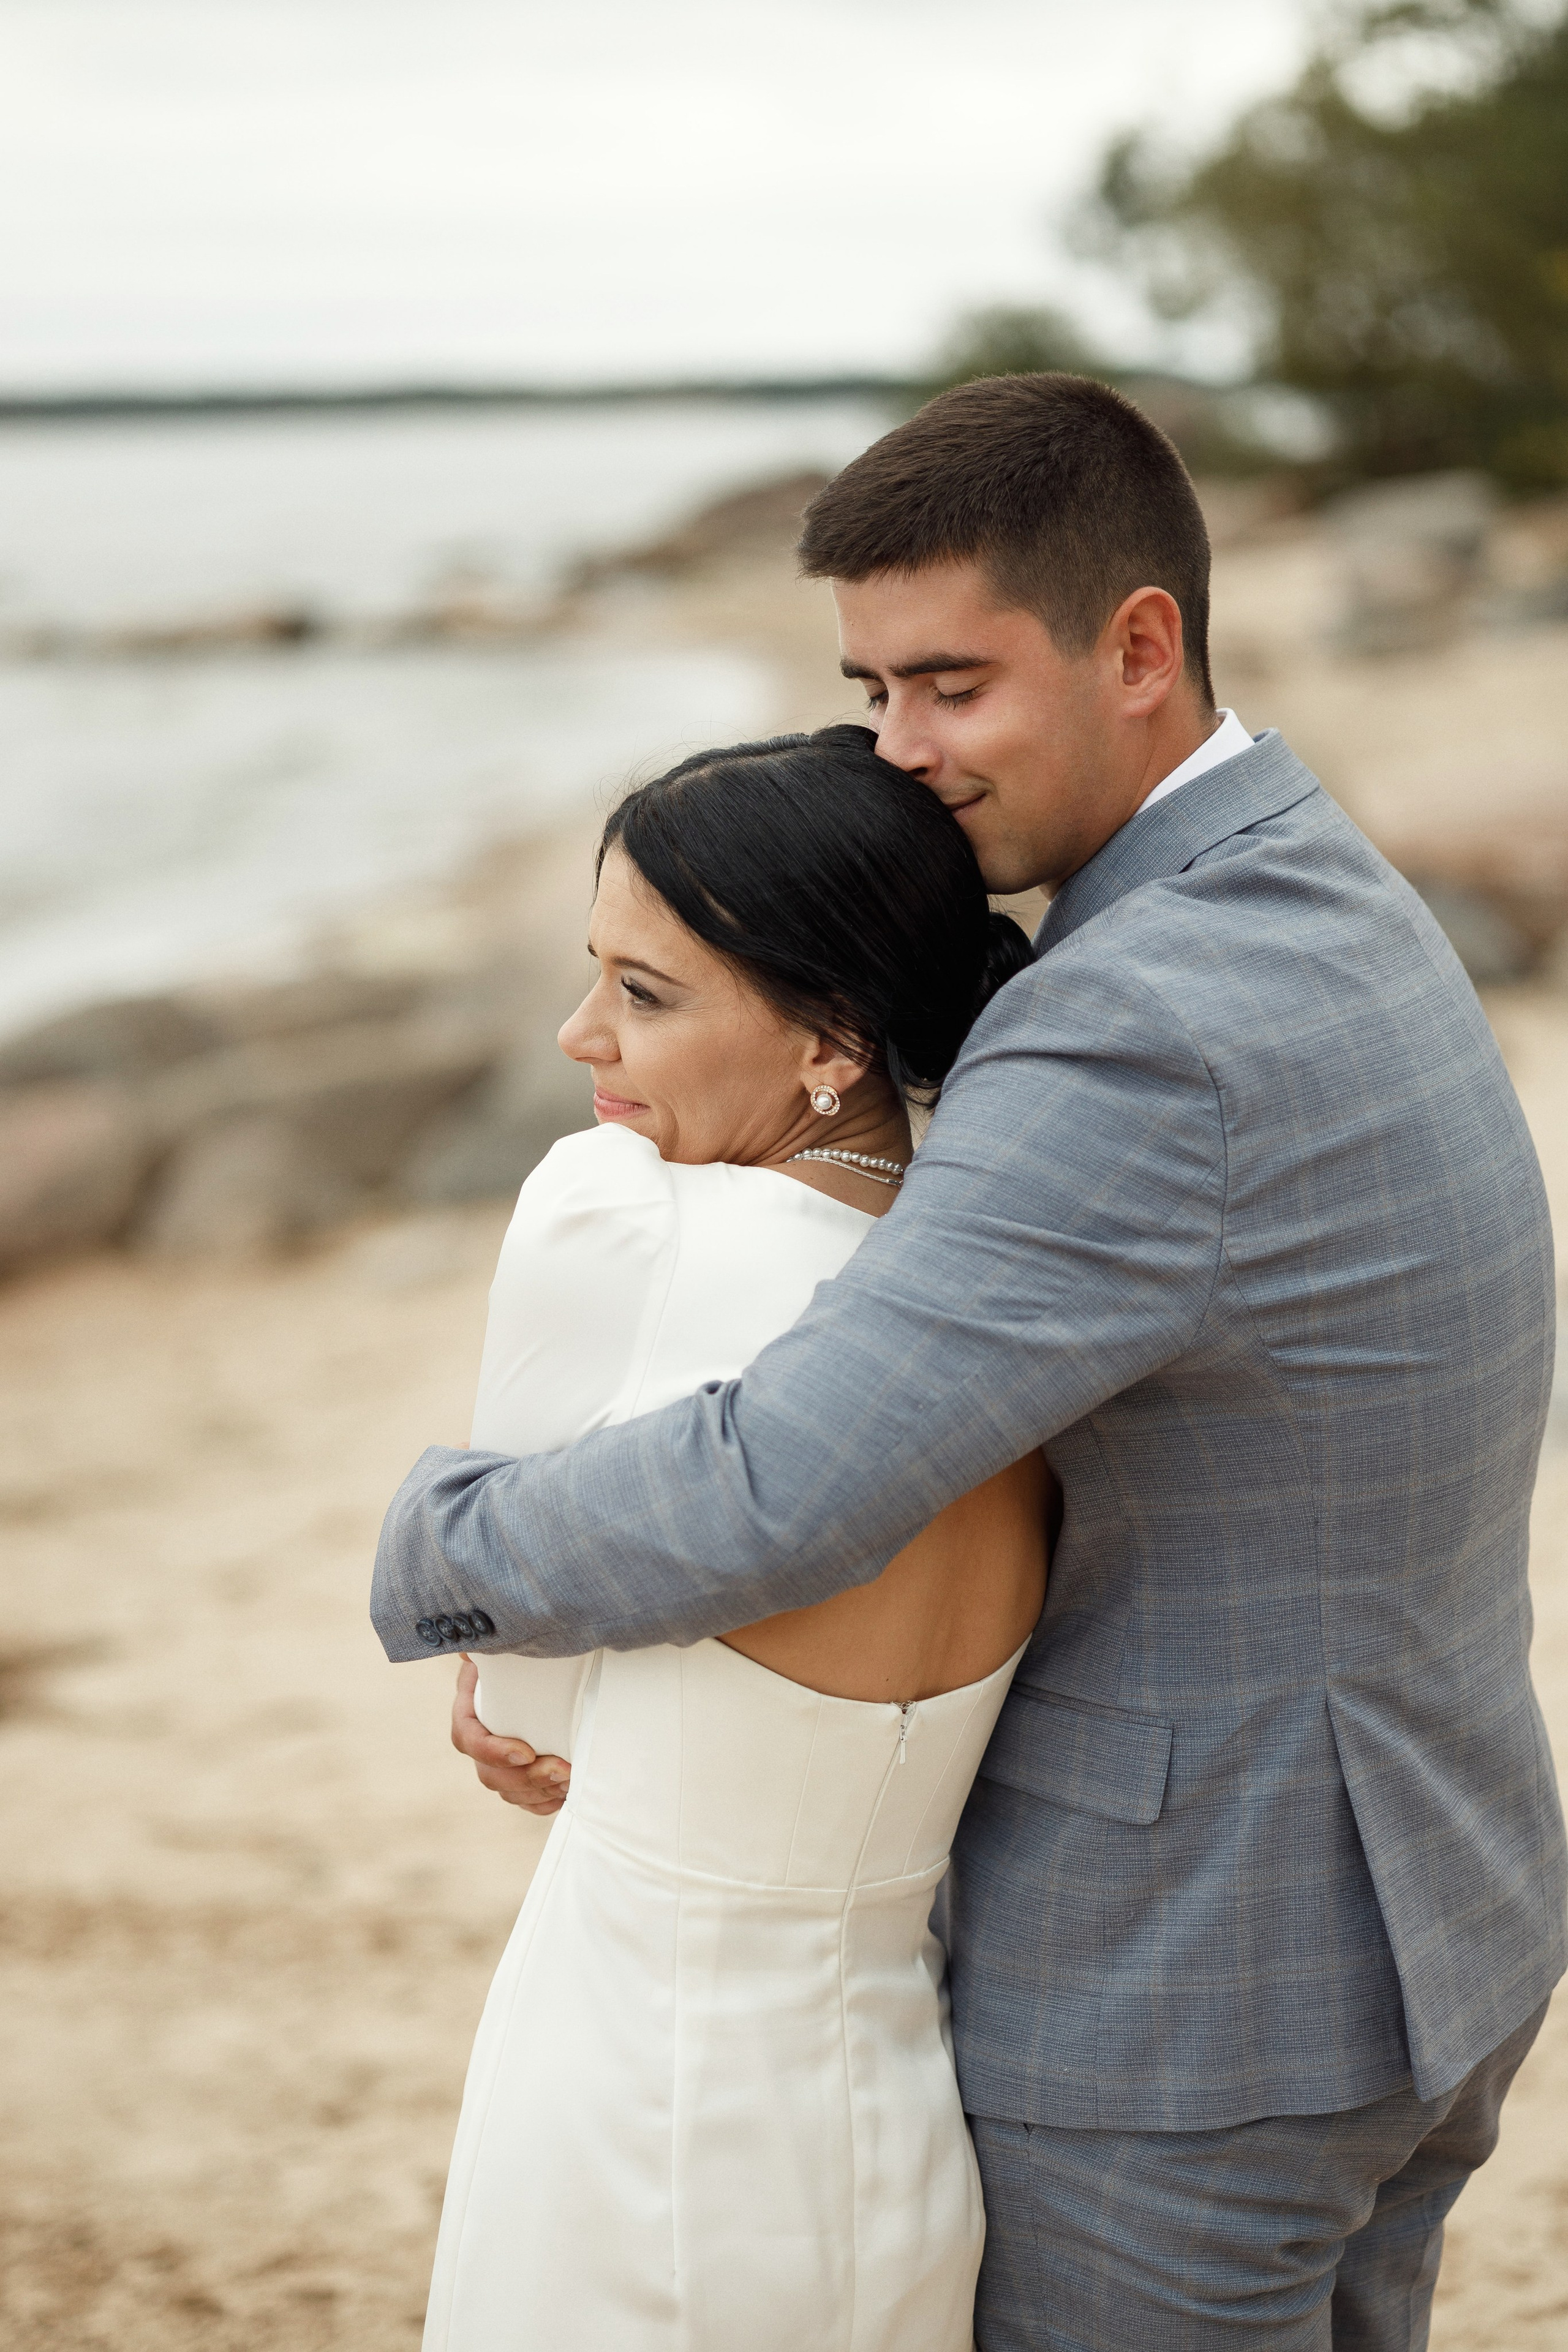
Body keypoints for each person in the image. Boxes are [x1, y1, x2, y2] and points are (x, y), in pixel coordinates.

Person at [375, 374, 1566, 2350]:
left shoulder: (1136, 1021)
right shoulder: (1314, 886)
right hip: (1422, 1904)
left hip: (1200, 1990)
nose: (902, 755)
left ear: (1142, 647)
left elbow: (789, 1478)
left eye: (952, 688)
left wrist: (446, 1544)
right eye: (868, 695)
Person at [416, 725, 1044, 2351]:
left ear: (834, 1034)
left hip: (635, 2095)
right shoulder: (1005, 1301)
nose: (579, 1035)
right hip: (895, 2128)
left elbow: (520, 1716)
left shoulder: (612, 1212)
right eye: (593, 976)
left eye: (646, 992)